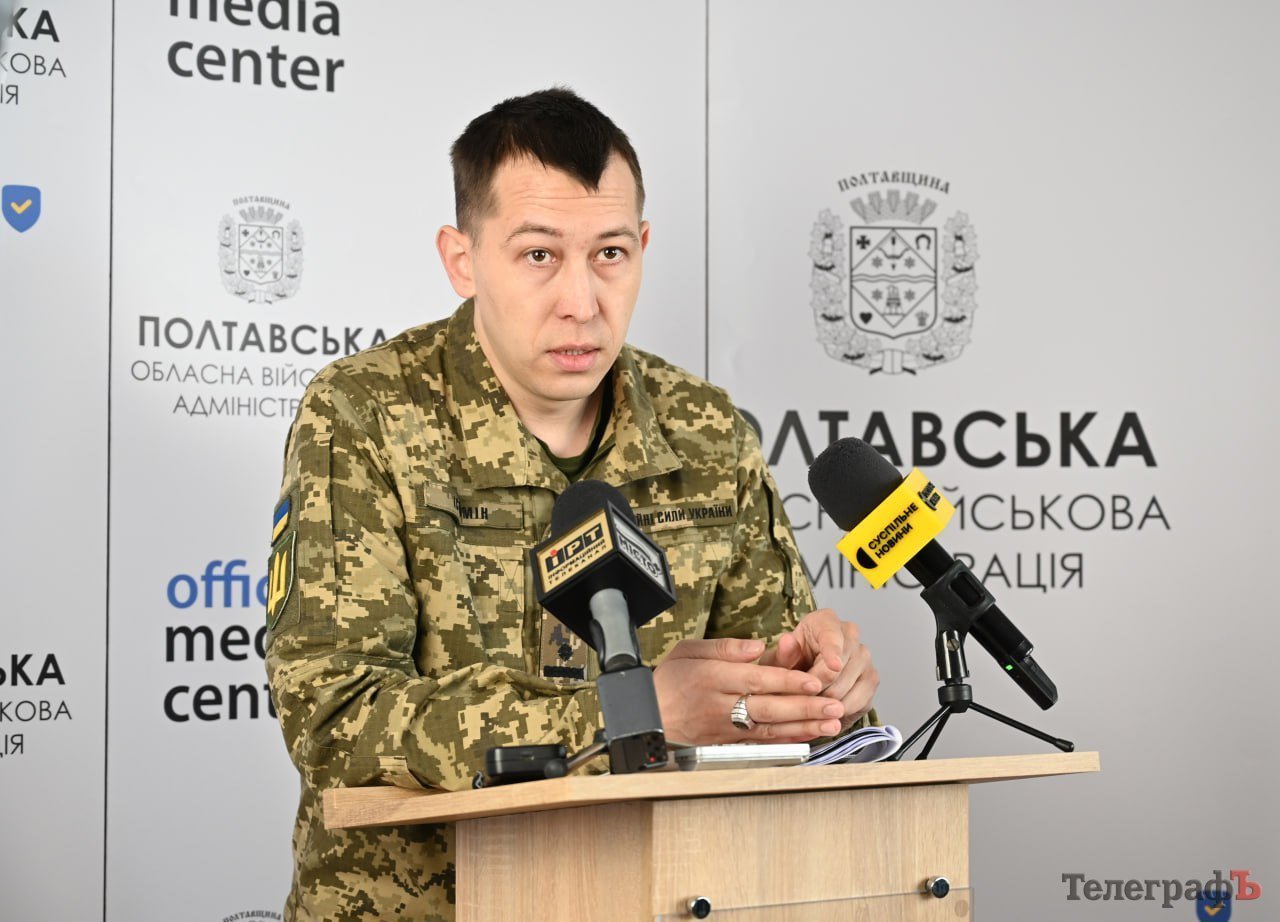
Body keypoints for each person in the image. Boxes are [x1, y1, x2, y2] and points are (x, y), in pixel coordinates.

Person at [265, 86, 878, 921]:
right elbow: (333, 714)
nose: (582, 302)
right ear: (462, 259)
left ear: (643, 248)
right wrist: (630, 713)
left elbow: (768, 691)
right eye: (539, 256)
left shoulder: (705, 428)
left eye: (610, 253)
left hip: (665, 897)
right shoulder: (364, 414)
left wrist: (820, 690)